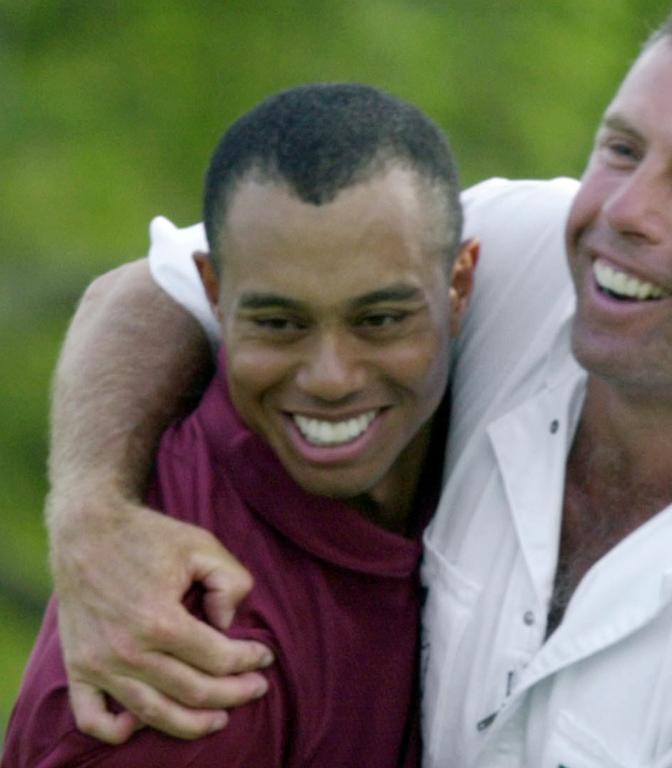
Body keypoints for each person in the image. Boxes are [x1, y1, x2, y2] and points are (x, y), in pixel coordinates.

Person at [37, 0, 672, 765]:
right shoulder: (522, 262)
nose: (620, 213)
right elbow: (153, 289)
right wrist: (90, 516)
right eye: (621, 148)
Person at [2, 82, 477, 767]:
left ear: (460, 288)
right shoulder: (191, 676)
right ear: (214, 296)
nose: (330, 377)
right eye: (280, 324)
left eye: (379, 320)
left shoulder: (499, 407)